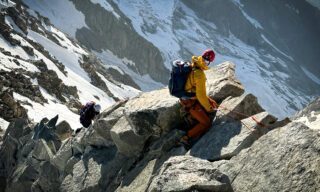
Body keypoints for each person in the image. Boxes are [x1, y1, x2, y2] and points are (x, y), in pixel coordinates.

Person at [179, 49, 218, 147]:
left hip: (186, 97)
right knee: (206, 123)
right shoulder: (199, 74)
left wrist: (209, 102)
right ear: (209, 62)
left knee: (211, 101)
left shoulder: (193, 65)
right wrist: (209, 109)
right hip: (189, 102)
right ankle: (186, 138)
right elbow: (201, 96)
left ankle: (192, 118)